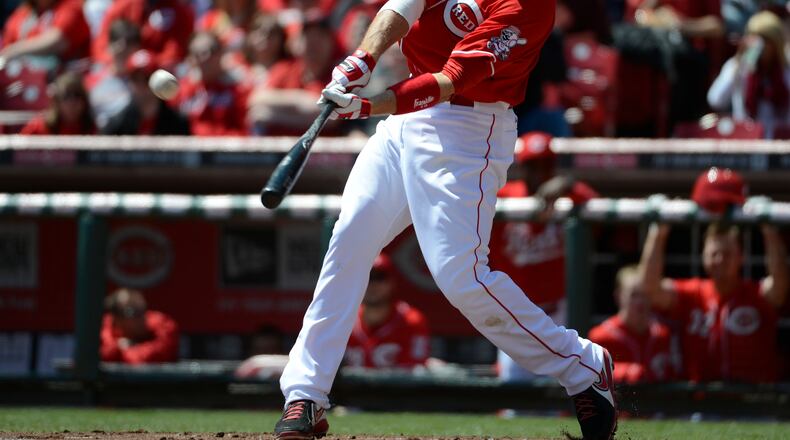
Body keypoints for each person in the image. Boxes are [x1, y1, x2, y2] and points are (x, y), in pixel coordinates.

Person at [273, 1, 617, 440]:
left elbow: (452, 82)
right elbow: (402, 6)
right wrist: (363, 57)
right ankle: (305, 394)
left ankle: (582, 365)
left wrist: (366, 107)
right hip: (404, 122)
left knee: (461, 276)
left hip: (467, 128)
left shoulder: (529, 6)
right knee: (349, 240)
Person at [638, 169, 788, 382]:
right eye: (714, 253)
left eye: (727, 254)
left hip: (753, 404)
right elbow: (649, 288)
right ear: (703, 257)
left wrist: (769, 232)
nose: (720, 260)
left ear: (741, 257)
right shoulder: (692, 293)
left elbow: (780, 288)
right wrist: (658, 233)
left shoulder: (755, 293)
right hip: (700, 402)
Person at [488, 132, 598, 382]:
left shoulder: (569, 197)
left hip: (557, 314)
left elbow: (597, 209)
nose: (539, 172)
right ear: (521, 167)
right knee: (513, 391)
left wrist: (568, 184)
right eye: (532, 165)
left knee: (565, 390)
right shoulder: (505, 196)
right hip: (515, 315)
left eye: (545, 165)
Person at [588, 265, 679, 384]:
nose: (640, 301)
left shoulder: (662, 334)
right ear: (618, 296)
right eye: (634, 295)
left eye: (645, 294)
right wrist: (625, 372)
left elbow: (674, 375)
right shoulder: (600, 336)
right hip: (618, 402)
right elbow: (592, 374)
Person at [707, 11, 790, 139]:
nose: (761, 47)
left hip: (779, 142)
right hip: (746, 140)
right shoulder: (739, 67)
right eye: (755, 39)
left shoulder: (786, 71)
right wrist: (737, 63)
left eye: (766, 41)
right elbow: (715, 100)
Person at [344, 254, 430, 369]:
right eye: (366, 277)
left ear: (391, 283)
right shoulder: (343, 320)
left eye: (380, 277)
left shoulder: (411, 321)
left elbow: (414, 373)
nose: (372, 284)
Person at [102, 49, 191, 135]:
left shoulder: (178, 123)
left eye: (147, 78)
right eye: (135, 79)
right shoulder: (117, 124)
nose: (141, 86)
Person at [177, 32, 250, 136]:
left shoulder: (237, 86)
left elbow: (245, 128)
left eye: (207, 52)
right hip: (194, 149)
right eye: (196, 54)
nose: (202, 59)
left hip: (229, 148)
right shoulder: (186, 87)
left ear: (221, 53)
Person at [92, 0, 194, 69]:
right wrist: (117, 60)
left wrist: (148, 60)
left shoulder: (179, 13)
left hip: (155, 79)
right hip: (118, 74)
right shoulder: (125, 5)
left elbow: (173, 57)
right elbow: (100, 48)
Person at [1, 0, 90, 69]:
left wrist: (15, 50)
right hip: (22, 80)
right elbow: (5, 48)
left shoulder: (70, 6)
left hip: (63, 78)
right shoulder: (22, 13)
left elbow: (58, 41)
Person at [100, 288, 179, 364]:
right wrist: (118, 346)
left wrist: (123, 349)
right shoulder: (102, 328)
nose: (141, 317)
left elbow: (148, 357)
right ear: (116, 318)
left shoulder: (163, 324)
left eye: (142, 309)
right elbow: (103, 354)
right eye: (132, 312)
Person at [85, 19, 140, 129]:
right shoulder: (94, 78)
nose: (123, 47)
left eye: (130, 42)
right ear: (109, 45)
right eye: (117, 40)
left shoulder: (143, 83)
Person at [20, 71, 96, 135]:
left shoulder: (91, 130)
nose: (72, 103)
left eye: (77, 95)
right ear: (57, 101)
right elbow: (17, 150)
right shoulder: (38, 127)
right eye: (66, 96)